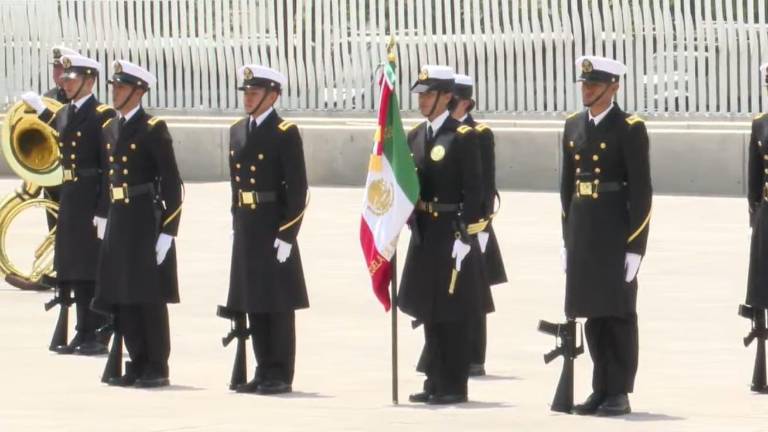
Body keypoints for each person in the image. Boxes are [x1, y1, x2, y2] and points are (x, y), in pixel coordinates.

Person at [561, 56, 652, 416]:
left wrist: (636, 246)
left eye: (595, 85)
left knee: (618, 312)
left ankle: (619, 391)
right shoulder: (573, 126)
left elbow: (642, 191)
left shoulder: (629, 127)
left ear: (614, 86)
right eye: (585, 84)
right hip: (584, 229)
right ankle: (600, 387)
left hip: (615, 230)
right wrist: (567, 240)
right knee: (593, 312)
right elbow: (566, 188)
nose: (587, 90)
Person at [400, 65, 492, 405]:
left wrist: (467, 235)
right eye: (421, 95)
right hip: (425, 230)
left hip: (452, 231)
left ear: (447, 97)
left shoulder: (463, 137)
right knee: (430, 308)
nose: (422, 101)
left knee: (453, 310)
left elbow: (476, 191)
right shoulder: (414, 137)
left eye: (428, 94)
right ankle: (435, 377)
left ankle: (453, 383)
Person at [94, 60, 183, 388]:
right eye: (114, 87)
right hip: (119, 216)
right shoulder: (109, 128)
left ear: (139, 91)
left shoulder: (152, 128)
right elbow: (109, 176)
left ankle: (156, 364)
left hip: (145, 217)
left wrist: (169, 231)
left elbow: (172, 182)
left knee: (147, 293)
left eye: (121, 87)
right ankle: (136, 358)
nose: (115, 92)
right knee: (123, 291)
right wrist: (102, 214)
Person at [21, 54, 115, 355]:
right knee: (74, 267)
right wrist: (39, 110)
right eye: (65, 77)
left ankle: (97, 331)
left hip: (90, 197)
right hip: (71, 196)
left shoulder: (103, 115)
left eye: (72, 78)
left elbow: (108, 167)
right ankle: (81, 329)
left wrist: (103, 209)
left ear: (89, 81)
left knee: (92, 268)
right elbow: (63, 130)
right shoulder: (65, 113)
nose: (65, 81)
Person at [225, 64, 309, 395]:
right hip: (248, 223)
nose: (248, 98)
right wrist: (236, 221)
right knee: (254, 298)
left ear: (272, 96)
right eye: (246, 92)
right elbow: (235, 184)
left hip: (274, 223)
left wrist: (288, 234)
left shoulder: (284, 131)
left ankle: (280, 372)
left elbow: (298, 188)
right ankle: (262, 368)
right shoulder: (237, 130)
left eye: (255, 93)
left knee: (278, 301)